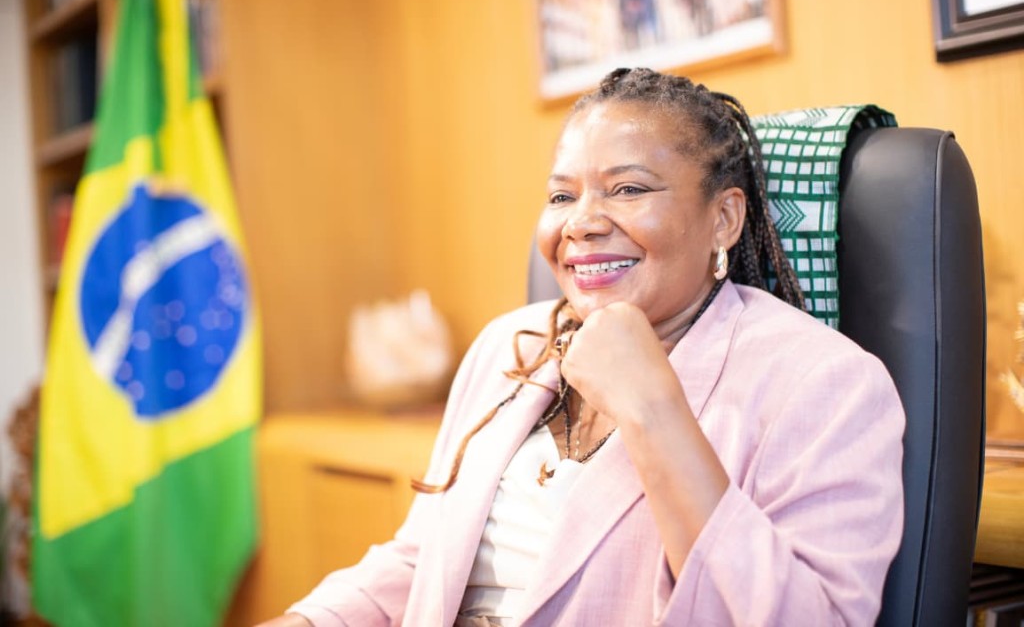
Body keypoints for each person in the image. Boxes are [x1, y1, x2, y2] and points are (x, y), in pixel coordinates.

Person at [260, 68, 905, 626]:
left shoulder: (826, 383)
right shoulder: (507, 346)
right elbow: (421, 562)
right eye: (562, 195)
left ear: (724, 219)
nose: (581, 222)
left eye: (629, 189)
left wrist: (652, 409)